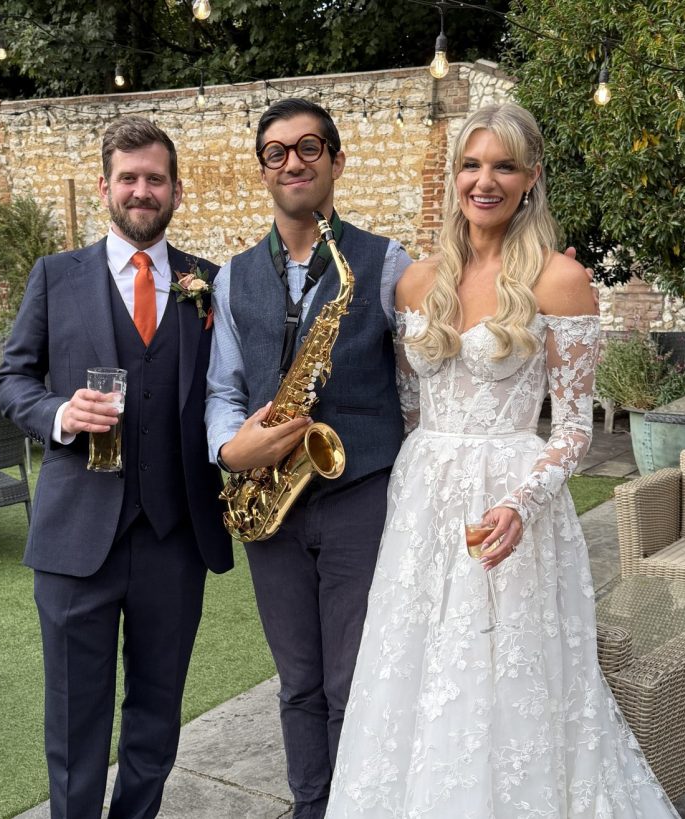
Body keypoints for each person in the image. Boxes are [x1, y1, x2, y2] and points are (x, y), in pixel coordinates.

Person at [325, 103, 679, 817]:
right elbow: (411, 407)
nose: (484, 180)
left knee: (504, 673)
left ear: (531, 179)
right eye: (472, 163)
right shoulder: (414, 281)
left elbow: (576, 428)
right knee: (413, 665)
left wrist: (524, 501)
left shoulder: (560, 280)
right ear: (454, 174)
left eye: (504, 166)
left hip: (514, 501)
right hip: (423, 497)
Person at [0, 115, 232, 819]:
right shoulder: (54, 276)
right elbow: (11, 380)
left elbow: (226, 392)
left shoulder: (205, 283)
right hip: (76, 539)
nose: (141, 190)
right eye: (128, 177)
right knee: (74, 716)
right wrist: (60, 416)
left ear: (176, 190)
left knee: (157, 711)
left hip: (175, 534)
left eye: (155, 178)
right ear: (104, 186)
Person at [204, 98, 413, 818]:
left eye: (309, 147)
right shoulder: (232, 278)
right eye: (276, 151)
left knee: (353, 678)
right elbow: (221, 391)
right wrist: (232, 446)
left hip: (358, 494)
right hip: (271, 500)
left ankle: (361, 804)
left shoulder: (386, 264)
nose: (293, 161)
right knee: (296, 679)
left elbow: (425, 383)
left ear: (336, 160)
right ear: (263, 169)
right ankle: (310, 805)